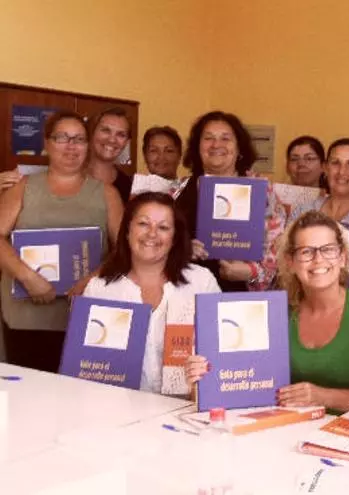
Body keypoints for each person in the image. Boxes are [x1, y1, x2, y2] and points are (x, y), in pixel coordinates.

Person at [187, 211, 349, 412]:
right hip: (288, 428)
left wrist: (322, 396)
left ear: (342, 257)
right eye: (306, 252)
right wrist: (203, 379)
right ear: (290, 262)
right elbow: (241, 385)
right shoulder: (275, 313)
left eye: (328, 249)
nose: (318, 259)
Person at [0, 110, 123, 372]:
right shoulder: (23, 187)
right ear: (47, 143)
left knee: (78, 395)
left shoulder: (107, 194)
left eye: (79, 139)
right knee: (28, 392)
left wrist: (90, 281)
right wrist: (27, 277)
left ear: (88, 146)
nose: (71, 146)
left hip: (84, 318)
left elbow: (125, 249)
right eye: (62, 138)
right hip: (25, 318)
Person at [83, 192, 220, 394]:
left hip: (189, 407)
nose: (152, 234)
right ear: (127, 230)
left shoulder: (201, 282)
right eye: (143, 224)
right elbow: (87, 367)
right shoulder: (99, 289)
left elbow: (221, 353)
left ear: (174, 238)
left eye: (163, 227)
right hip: (119, 406)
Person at [175, 111, 286, 292]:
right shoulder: (177, 190)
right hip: (186, 291)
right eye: (208, 138)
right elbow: (161, 241)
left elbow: (279, 246)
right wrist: (181, 250)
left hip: (240, 296)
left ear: (239, 148)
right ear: (197, 147)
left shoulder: (262, 190)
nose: (216, 144)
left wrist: (252, 272)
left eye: (225, 138)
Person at [86, 107, 134, 201]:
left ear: (127, 142)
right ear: (91, 133)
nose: (112, 140)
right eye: (106, 130)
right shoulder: (70, 176)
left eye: (121, 135)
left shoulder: (128, 187)